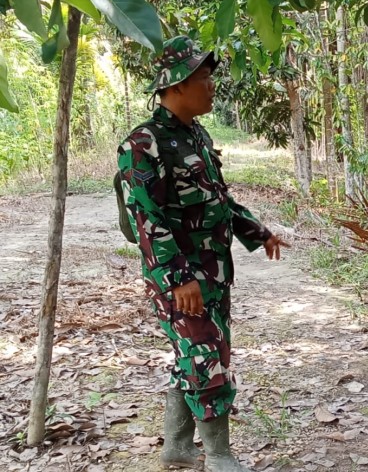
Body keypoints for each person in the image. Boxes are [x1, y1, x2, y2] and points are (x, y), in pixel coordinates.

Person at [118, 36, 288, 472]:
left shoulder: (196, 134)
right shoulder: (143, 144)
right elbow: (147, 222)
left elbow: (219, 201)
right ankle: (218, 455)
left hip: (213, 271)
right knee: (206, 358)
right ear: (174, 87)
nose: (212, 86)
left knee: (193, 355)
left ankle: (177, 446)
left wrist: (259, 232)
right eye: (204, 78)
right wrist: (180, 279)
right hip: (182, 278)